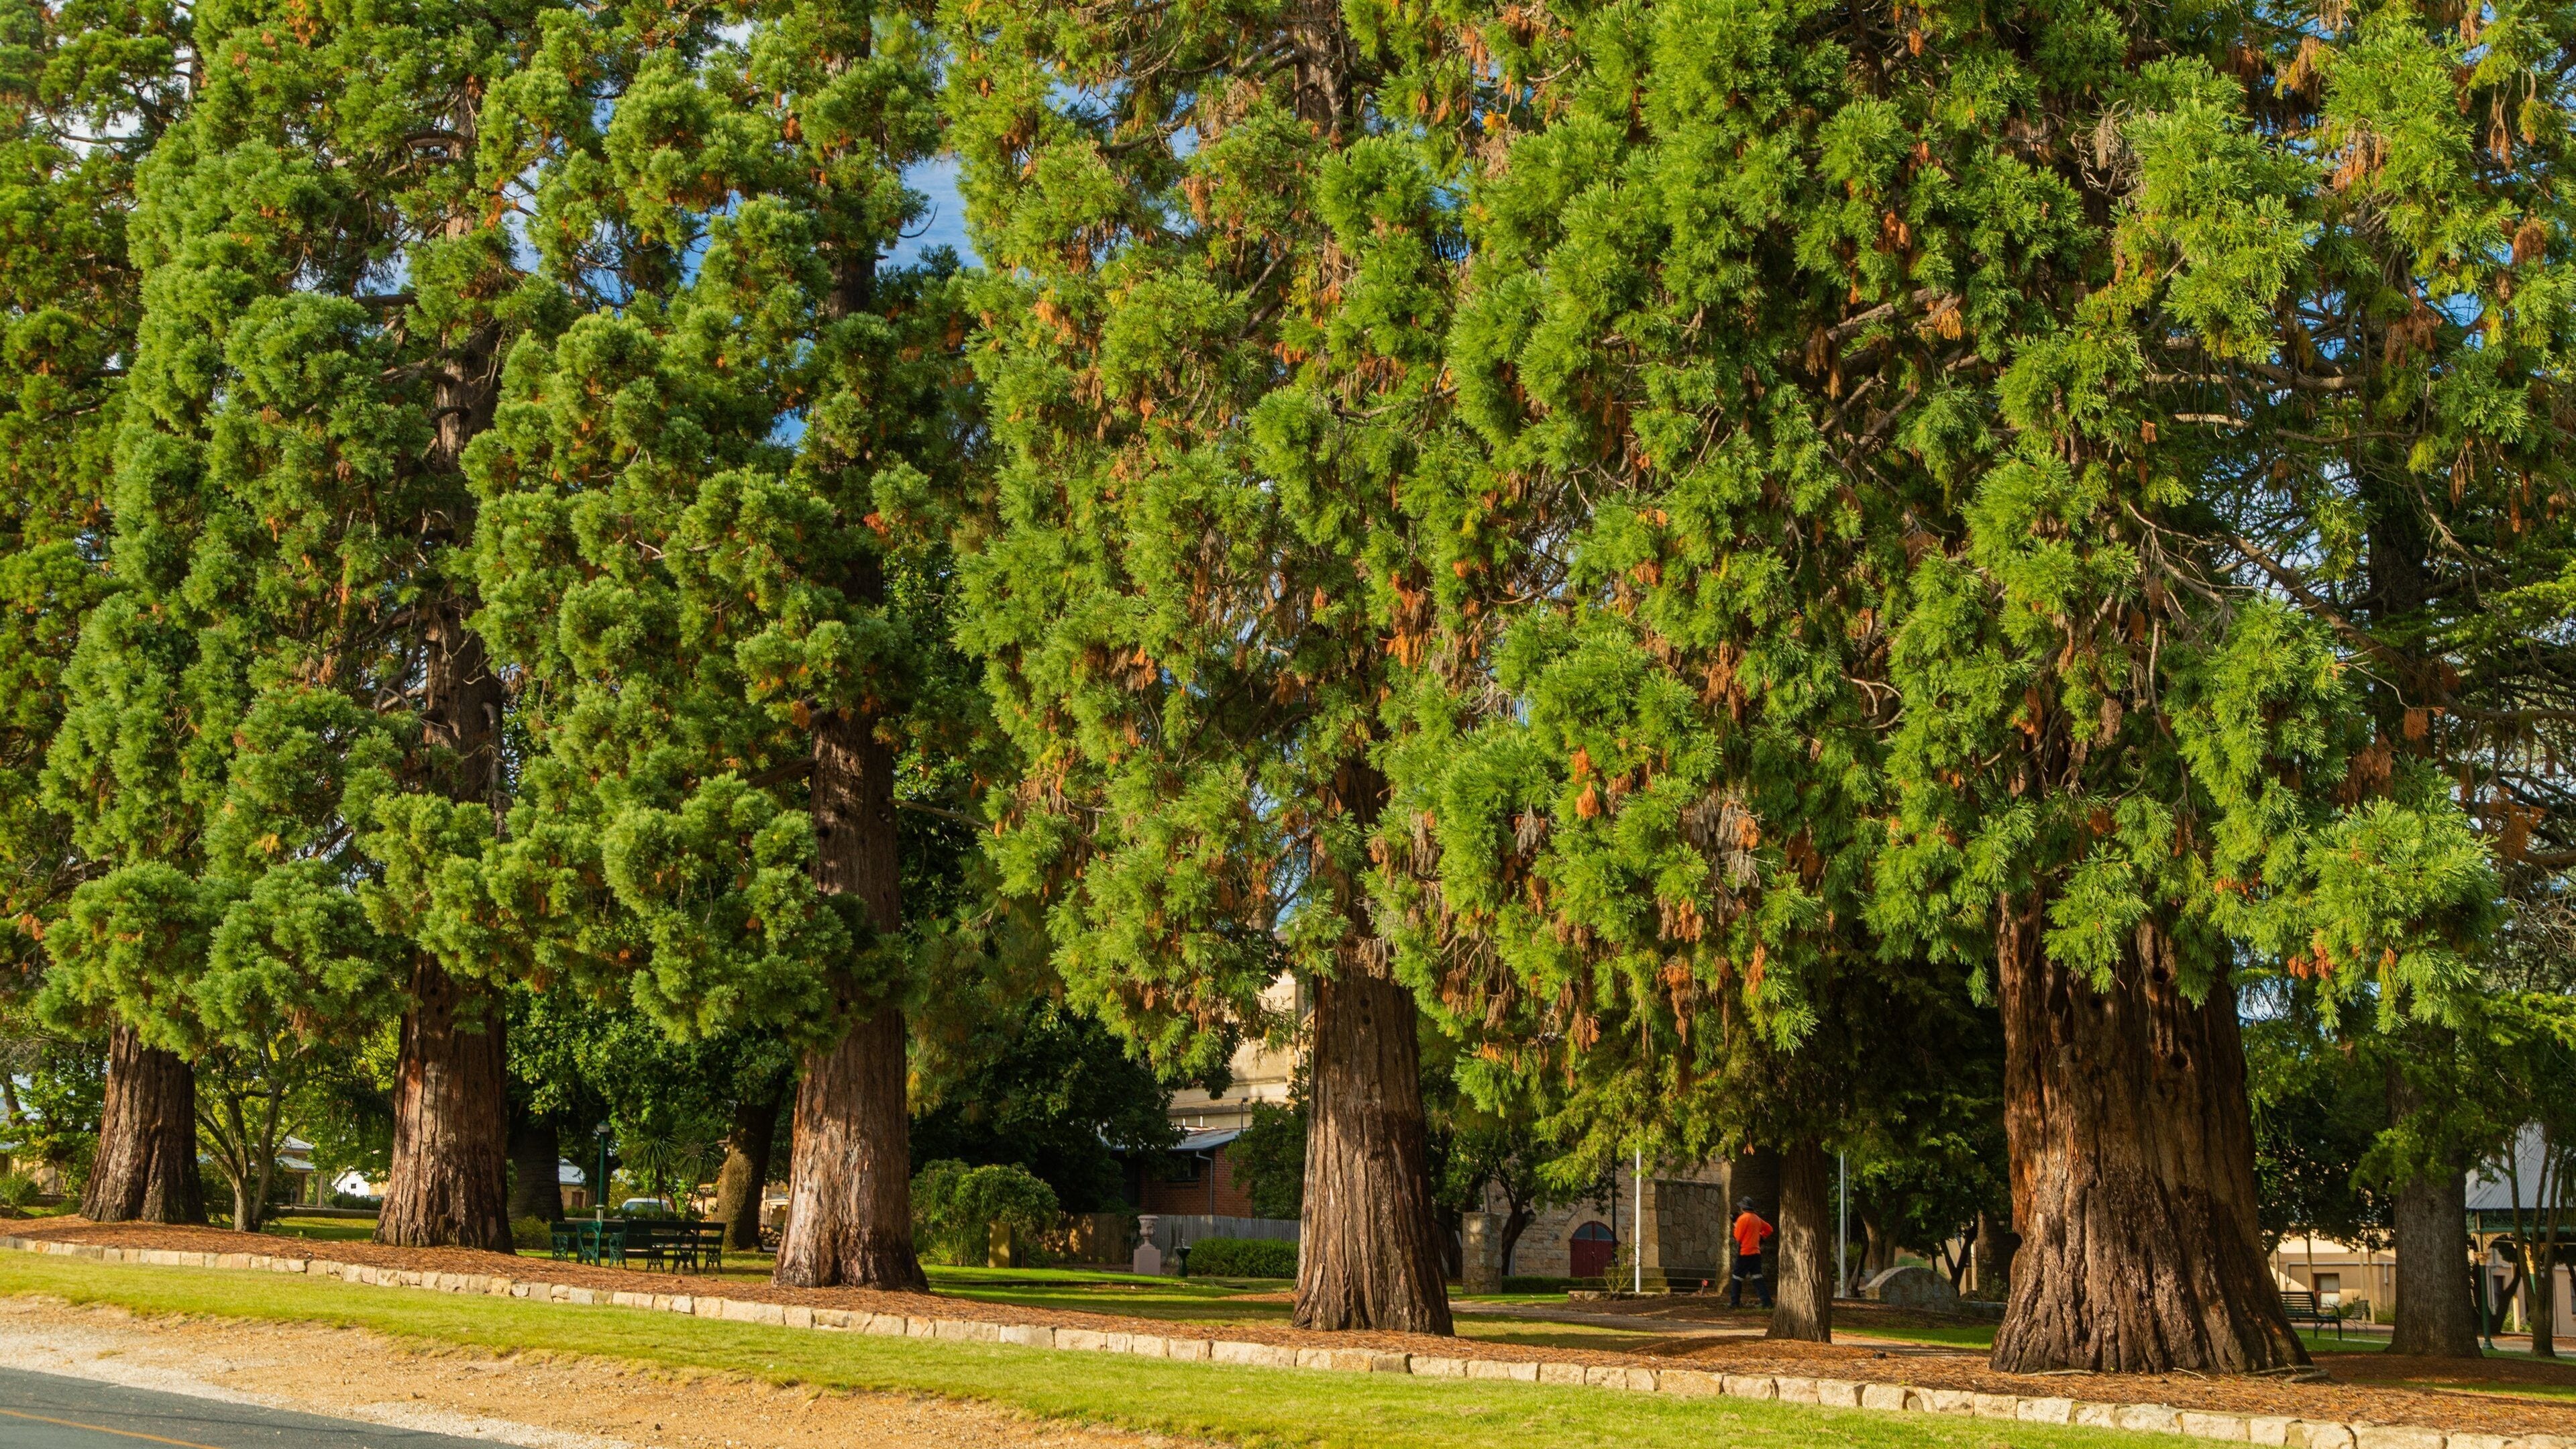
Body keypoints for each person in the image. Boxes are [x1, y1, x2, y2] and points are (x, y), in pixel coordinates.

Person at [1728, 1197, 1775, 1309]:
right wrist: (1761, 1237)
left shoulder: (1743, 1219)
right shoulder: (1756, 1218)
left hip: (1745, 1252)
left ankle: (1735, 1302)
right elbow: (1769, 1229)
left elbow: (1738, 1237)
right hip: (1756, 1253)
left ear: (1743, 1208)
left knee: (1736, 1277)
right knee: (1757, 1277)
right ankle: (1767, 1303)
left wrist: (1735, 1224)